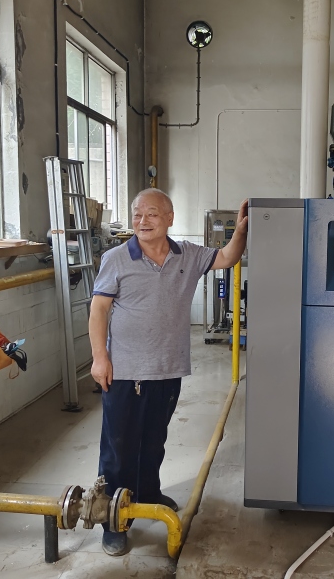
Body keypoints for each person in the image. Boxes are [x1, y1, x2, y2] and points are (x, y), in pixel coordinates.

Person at [89, 188, 247, 556]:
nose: (142, 221)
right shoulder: (116, 258)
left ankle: (147, 493)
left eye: (152, 214)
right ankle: (114, 520)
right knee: (118, 448)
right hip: (125, 372)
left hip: (167, 369)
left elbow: (227, 257)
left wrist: (240, 230)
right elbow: (99, 310)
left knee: (153, 439)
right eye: (137, 214)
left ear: (170, 218)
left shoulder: (187, 255)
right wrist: (99, 357)